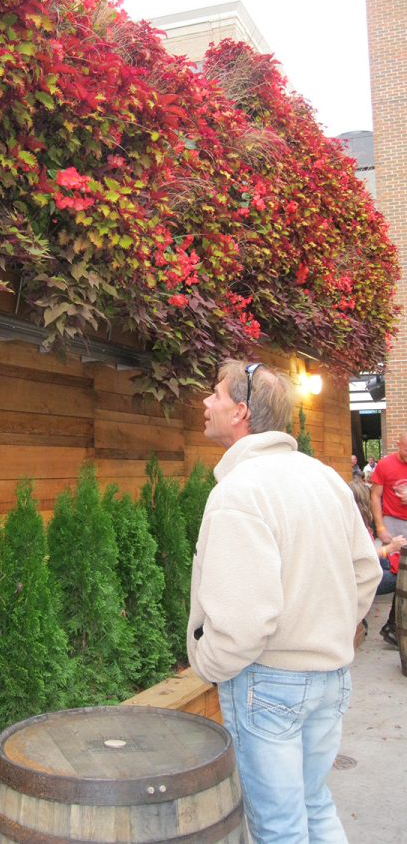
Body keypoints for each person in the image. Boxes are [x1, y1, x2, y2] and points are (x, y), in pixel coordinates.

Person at [187, 360, 382, 844]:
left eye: (215, 394)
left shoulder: (239, 491)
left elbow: (244, 619)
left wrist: (209, 664)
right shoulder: (326, 479)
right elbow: (367, 571)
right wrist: (332, 631)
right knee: (314, 805)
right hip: (329, 677)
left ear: (240, 412)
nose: (205, 403)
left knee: (279, 827)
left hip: (266, 683)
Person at [348, 478, 404, 645]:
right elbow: (363, 556)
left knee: (395, 567)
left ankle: (392, 627)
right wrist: (389, 548)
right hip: (358, 580)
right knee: (401, 579)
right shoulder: (356, 526)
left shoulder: (356, 522)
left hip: (360, 572)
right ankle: (392, 627)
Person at [370, 435, 407, 645]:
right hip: (392, 523)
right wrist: (381, 526)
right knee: (397, 573)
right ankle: (392, 627)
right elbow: (375, 496)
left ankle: (393, 626)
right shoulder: (385, 465)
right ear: (398, 446)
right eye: (406, 451)